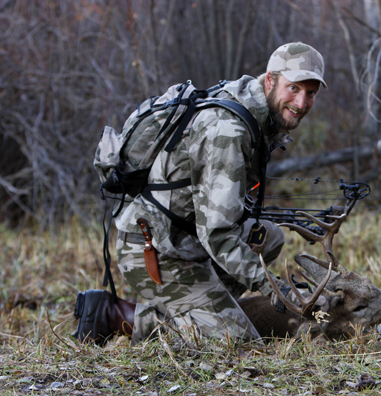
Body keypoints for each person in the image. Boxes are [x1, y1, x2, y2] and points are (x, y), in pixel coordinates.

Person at [73, 42, 327, 345]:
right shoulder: (229, 131)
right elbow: (218, 234)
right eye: (294, 88)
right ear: (270, 80)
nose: (301, 102)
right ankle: (116, 315)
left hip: (189, 236)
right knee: (238, 344)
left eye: (310, 93)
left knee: (267, 237)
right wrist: (273, 288)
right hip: (157, 250)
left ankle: (205, 308)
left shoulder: (254, 107)